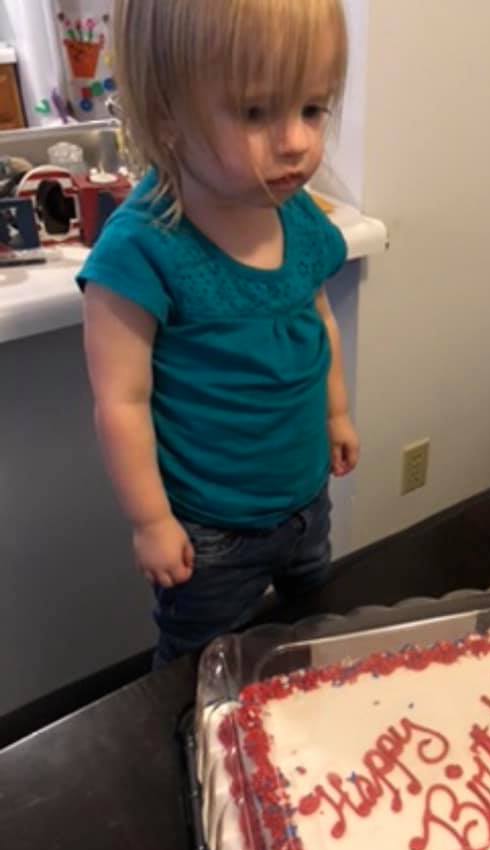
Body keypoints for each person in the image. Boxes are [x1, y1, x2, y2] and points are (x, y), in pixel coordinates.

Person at [79, 0, 359, 667]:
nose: (295, 141)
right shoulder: (142, 251)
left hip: (304, 500)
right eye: (258, 112)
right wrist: (150, 521)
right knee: (197, 670)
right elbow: (121, 402)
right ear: (169, 113)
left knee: (304, 640)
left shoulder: (295, 214)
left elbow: (315, 316)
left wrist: (337, 409)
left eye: (312, 109)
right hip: (209, 533)